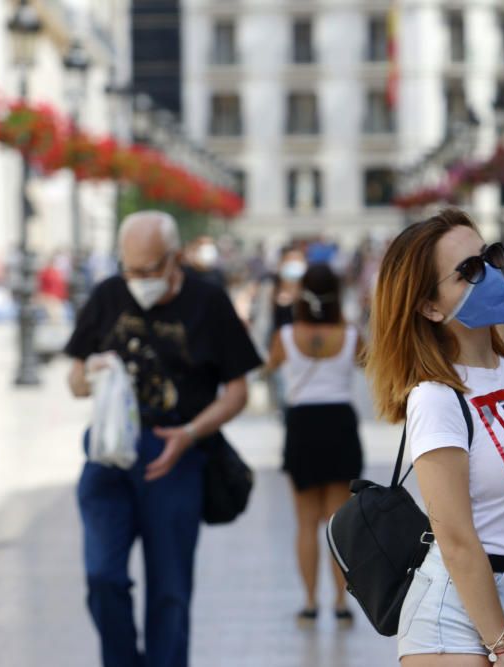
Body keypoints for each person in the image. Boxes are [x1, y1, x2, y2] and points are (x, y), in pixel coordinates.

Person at [365, 209, 504, 667]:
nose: (490, 276)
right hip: (461, 619)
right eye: (468, 272)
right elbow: (455, 537)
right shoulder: (436, 397)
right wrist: (500, 643)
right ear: (430, 306)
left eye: (489, 257)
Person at [64, 211, 263, 667]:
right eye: (129, 268)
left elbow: (238, 392)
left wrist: (191, 434)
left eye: (149, 270)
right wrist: (88, 375)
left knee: (170, 590)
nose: (138, 280)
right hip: (109, 453)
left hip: (176, 451)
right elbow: (74, 379)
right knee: (102, 576)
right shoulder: (109, 294)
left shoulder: (208, 303)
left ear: (174, 259)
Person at [264, 263, 364, 626]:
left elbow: (269, 368)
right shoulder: (350, 334)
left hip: (303, 425)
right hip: (339, 425)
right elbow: (370, 365)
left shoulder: (286, 335)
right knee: (338, 523)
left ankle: (309, 602)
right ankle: (340, 603)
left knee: (305, 522)